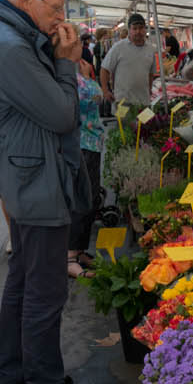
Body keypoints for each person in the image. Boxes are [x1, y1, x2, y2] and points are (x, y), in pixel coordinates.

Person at [0, 0, 98, 384]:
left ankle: (16, 376)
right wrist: (66, 64)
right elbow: (62, 114)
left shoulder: (10, 37)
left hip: (29, 176)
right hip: (37, 179)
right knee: (44, 290)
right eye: (57, 7)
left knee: (24, 280)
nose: (61, 18)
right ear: (27, 1)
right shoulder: (8, 46)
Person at [69, 57, 108, 276]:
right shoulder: (71, 79)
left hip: (89, 143)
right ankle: (70, 255)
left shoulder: (74, 76)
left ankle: (79, 249)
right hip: (82, 143)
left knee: (90, 197)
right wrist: (88, 77)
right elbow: (96, 96)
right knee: (82, 198)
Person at [100, 12, 157, 110]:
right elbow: (104, 69)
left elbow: (151, 74)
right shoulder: (118, 48)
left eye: (141, 28)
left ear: (145, 29)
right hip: (123, 102)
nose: (138, 31)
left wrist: (149, 89)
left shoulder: (150, 49)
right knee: (124, 125)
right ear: (129, 30)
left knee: (144, 125)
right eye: (134, 28)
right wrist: (105, 91)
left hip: (144, 102)